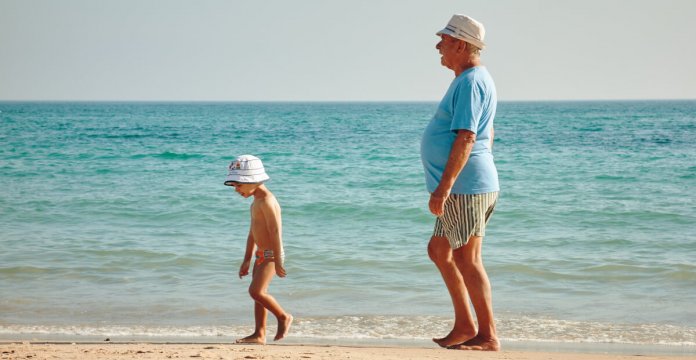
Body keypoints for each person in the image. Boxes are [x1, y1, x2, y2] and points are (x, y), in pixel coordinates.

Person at [420, 14, 501, 351]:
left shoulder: (471, 81)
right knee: (440, 250)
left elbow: (467, 136)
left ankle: (487, 335)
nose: (438, 44)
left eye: (445, 39)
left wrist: (445, 186)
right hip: (468, 184)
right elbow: (488, 132)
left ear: (462, 44)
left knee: (467, 259)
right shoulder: (468, 79)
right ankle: (466, 326)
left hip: (465, 188)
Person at [224, 154, 293, 344]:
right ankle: (259, 334)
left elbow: (275, 231)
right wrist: (247, 259)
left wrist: (278, 259)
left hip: (271, 255)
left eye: (238, 185)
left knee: (256, 292)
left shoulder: (268, 201)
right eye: (234, 186)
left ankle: (283, 316)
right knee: (258, 297)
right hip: (260, 255)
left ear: (252, 180)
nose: (236, 190)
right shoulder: (256, 201)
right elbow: (252, 233)